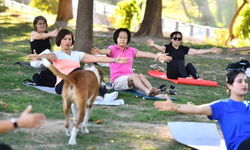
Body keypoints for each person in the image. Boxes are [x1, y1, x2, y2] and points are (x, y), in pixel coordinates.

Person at [154, 70, 250, 150]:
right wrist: (174, 106)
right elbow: (196, 109)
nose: (244, 84)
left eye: (246, 81)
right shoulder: (222, 106)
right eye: (240, 81)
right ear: (229, 85)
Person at [28, 28, 129, 101]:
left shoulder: (77, 54)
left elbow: (96, 58)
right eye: (65, 39)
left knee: (95, 70)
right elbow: (48, 56)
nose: (68, 41)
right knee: (77, 71)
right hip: (62, 86)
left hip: (76, 82)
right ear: (60, 41)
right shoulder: (57, 54)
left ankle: (105, 95)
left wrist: (115, 60)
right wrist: (38, 57)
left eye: (69, 39)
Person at [91, 28, 172, 97]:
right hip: (117, 81)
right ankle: (147, 91)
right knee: (134, 75)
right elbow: (106, 51)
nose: (122, 39)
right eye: (120, 37)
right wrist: (100, 51)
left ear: (127, 40)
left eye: (125, 38)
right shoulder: (113, 48)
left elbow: (145, 54)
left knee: (140, 75)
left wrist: (159, 56)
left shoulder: (130, 50)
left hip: (131, 81)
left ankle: (152, 90)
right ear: (116, 38)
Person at [147, 31, 223, 80]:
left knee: (189, 65)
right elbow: (160, 48)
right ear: (171, 39)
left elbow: (196, 51)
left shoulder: (183, 48)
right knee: (180, 62)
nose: (177, 40)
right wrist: (153, 45)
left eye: (179, 39)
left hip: (181, 72)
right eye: (175, 38)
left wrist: (210, 50)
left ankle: (197, 78)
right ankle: (186, 78)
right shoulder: (167, 47)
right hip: (171, 74)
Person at [30, 16, 60, 87]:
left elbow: (55, 36)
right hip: (35, 61)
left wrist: (59, 34)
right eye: (40, 24)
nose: (42, 25)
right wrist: (51, 33)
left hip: (44, 60)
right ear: (35, 25)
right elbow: (41, 36)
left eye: (44, 23)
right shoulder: (33, 34)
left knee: (56, 55)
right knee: (47, 51)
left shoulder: (47, 34)